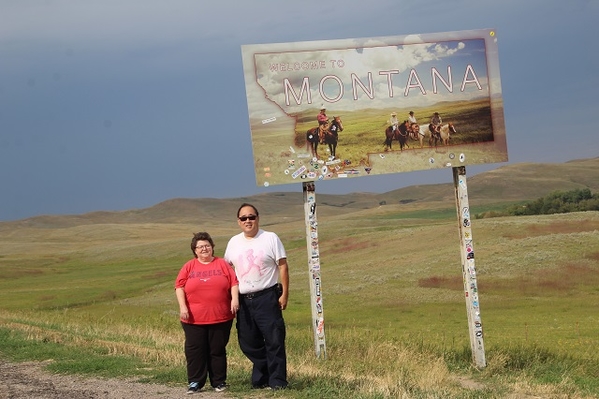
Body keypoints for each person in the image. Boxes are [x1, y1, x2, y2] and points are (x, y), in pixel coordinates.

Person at [224, 203, 289, 390]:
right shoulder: (233, 242)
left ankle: (276, 382)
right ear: (238, 221)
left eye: (251, 217)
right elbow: (228, 270)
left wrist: (284, 294)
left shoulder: (270, 238)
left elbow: (283, 266)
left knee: (274, 339)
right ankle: (265, 373)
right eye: (244, 218)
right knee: (247, 342)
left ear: (258, 218)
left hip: (267, 296)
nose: (248, 221)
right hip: (243, 299)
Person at [175, 232, 240, 394]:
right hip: (193, 318)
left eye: (207, 246)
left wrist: (234, 299)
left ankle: (219, 382)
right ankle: (195, 382)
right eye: (200, 247)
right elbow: (179, 287)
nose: (204, 249)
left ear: (212, 247)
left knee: (217, 350)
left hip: (220, 316)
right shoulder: (189, 266)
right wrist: (183, 307)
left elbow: (234, 282)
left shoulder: (222, 264)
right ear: (195, 250)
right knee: (195, 350)